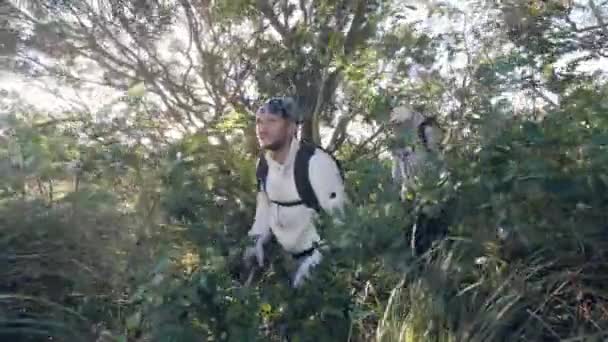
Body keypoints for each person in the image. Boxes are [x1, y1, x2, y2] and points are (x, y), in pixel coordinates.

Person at [243, 97, 346, 288]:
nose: (262, 129)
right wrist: (255, 240)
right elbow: (264, 206)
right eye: (259, 121)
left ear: (291, 127)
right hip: (285, 259)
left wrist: (313, 265)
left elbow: (340, 223)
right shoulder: (264, 165)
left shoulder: (316, 163)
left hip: (322, 260)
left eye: (272, 121)